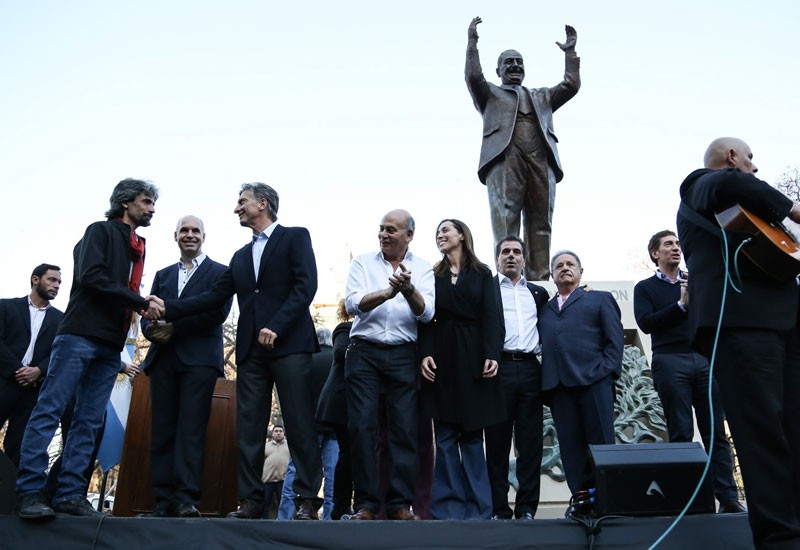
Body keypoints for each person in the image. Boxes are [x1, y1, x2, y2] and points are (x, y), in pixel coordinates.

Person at [158, 183, 323, 521]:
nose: (237, 208)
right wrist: (168, 309)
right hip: (251, 352)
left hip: (290, 345)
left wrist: (276, 325)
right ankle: (251, 501)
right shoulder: (240, 256)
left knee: (299, 421)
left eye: (242, 202)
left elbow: (306, 286)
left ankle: (307, 499)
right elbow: (213, 296)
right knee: (248, 427)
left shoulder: (295, 237)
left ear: (263, 204)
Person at [677, 137, 800, 548]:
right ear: (732, 158)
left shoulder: (748, 209)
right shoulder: (701, 184)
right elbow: (733, 183)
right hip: (742, 328)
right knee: (762, 433)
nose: (756, 169)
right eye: (751, 159)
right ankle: (780, 539)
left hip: (787, 326)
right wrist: (793, 209)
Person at [16, 178, 162, 519]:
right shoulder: (99, 231)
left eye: (153, 203)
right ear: (126, 203)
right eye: (145, 201)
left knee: (90, 422)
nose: (151, 208)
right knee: (49, 410)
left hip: (110, 346)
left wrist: (140, 309)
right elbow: (93, 276)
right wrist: (141, 302)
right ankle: (29, 492)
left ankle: (69, 493)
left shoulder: (138, 243)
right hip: (79, 335)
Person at [633, 230, 745, 513]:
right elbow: (647, 323)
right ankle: (689, 499)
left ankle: (728, 497)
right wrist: (681, 305)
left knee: (715, 433)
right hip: (670, 361)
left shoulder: (697, 281)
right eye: (668, 244)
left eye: (677, 244)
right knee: (681, 432)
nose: (675, 248)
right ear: (654, 254)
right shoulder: (645, 288)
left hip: (706, 360)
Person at [466, 16, 580, 280]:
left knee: (542, 222)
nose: (515, 66)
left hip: (541, 160)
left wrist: (570, 52)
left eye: (519, 62)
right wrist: (472, 43)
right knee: (506, 220)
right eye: (508, 62)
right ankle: (507, 279)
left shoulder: (542, 95)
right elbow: (473, 76)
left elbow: (570, 85)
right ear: (498, 71)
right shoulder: (491, 94)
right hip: (506, 157)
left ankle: (540, 280)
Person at [344, 209, 435, 521]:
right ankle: (366, 505)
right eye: (381, 229)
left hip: (402, 355)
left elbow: (426, 313)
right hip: (364, 352)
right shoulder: (362, 263)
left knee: (404, 430)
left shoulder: (422, 268)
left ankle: (399, 505)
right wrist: (388, 292)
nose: (384, 234)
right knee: (360, 427)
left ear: (408, 236)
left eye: (391, 230)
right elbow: (352, 304)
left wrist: (408, 290)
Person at [139, 215, 232, 518]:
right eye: (184, 231)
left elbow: (217, 312)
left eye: (195, 231)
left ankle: (186, 500)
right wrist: (152, 331)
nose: (189, 235)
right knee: (162, 431)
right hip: (163, 359)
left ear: (204, 236)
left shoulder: (220, 272)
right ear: (175, 236)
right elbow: (147, 312)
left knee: (191, 431)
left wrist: (174, 328)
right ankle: (163, 501)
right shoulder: (163, 274)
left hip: (199, 361)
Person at [419, 219, 503, 520]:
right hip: (442, 357)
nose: (440, 235)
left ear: (461, 236)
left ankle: (480, 508)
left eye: (445, 230)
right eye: (437, 232)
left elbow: (492, 316)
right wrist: (425, 352)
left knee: (471, 436)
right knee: (443, 437)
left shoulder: (482, 273)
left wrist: (492, 353)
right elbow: (426, 317)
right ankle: (447, 509)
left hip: (474, 358)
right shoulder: (432, 274)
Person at [538, 250, 623, 494]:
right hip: (559, 389)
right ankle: (581, 500)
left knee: (602, 446)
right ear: (552, 275)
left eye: (570, 264)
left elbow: (614, 342)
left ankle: (609, 499)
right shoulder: (545, 309)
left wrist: (606, 373)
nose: (565, 268)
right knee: (570, 449)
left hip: (594, 383)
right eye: (559, 265)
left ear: (581, 271)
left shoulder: (600, 299)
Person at [484, 236, 549, 520]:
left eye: (516, 252)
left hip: (531, 370)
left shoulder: (537, 293)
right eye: (505, 252)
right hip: (498, 370)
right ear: (497, 258)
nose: (511, 256)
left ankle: (526, 509)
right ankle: (499, 509)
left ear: (524, 259)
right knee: (497, 443)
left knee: (530, 444)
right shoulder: (487, 291)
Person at [0, 264, 64, 467]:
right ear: (35, 279)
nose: (56, 286)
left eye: (59, 282)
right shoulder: (6, 307)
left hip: (33, 390)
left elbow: (58, 352)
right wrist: (17, 370)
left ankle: (9, 494)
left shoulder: (61, 319)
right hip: (3, 381)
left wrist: (38, 371)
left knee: (18, 446)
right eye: (52, 280)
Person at [277, 327, 339, 521]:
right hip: (333, 424)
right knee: (332, 474)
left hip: (308, 424)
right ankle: (330, 518)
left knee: (297, 469)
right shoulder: (336, 360)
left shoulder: (306, 360)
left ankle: (284, 515)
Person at [316, 302, 356, 519]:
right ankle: (341, 507)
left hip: (354, 401)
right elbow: (340, 352)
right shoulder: (345, 329)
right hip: (342, 402)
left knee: (350, 453)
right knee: (348, 453)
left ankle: (346, 506)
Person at [262, 425, 290, 518]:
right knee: (265, 504)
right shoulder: (266, 446)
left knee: (283, 504)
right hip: (267, 481)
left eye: (280, 431)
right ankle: (264, 523)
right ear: (272, 433)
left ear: (284, 433)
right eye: (276, 431)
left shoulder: (289, 446)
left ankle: (283, 523)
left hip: (283, 481)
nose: (278, 433)